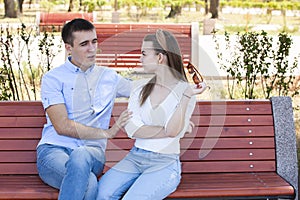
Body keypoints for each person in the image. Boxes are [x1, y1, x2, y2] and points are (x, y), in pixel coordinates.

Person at [97, 29, 207, 200]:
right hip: (135, 157)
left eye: (144, 53)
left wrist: (185, 98)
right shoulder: (139, 87)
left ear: (160, 57)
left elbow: (172, 131)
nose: (140, 58)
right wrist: (176, 130)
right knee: (101, 193)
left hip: (164, 163)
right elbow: (133, 129)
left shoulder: (186, 91)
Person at [36, 18, 132, 200]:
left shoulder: (109, 77)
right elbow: (62, 126)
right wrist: (106, 133)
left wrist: (184, 88)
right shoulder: (53, 79)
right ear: (68, 48)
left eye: (94, 41)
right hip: (54, 150)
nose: (92, 49)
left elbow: (142, 90)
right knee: (89, 182)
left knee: (82, 157)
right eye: (84, 44)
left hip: (92, 153)